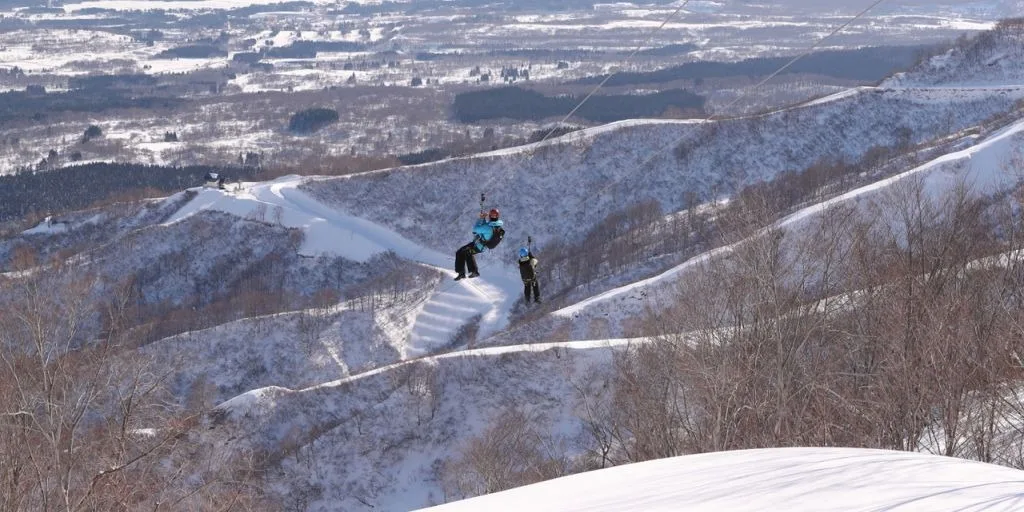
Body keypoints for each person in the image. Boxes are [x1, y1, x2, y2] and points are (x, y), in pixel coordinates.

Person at [454, 208, 504, 280]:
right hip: (479, 244)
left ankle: (467, 272)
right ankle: (469, 272)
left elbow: (475, 229)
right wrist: (483, 219)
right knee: (463, 252)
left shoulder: (488, 227)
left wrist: (480, 219)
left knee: (464, 252)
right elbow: (484, 227)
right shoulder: (496, 226)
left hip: (479, 246)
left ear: (489, 216)